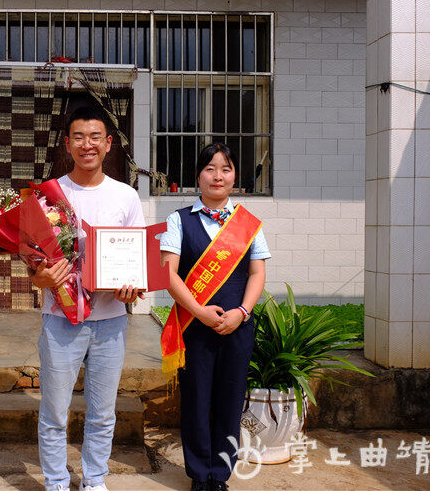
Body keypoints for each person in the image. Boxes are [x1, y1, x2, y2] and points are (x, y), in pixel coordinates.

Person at [29, 106, 145, 491]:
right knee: (54, 412)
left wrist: (132, 286)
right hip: (61, 319)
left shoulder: (126, 196)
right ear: (67, 143)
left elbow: (135, 261)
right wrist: (39, 277)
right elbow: (34, 262)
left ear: (109, 144)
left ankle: (94, 479)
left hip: (111, 322)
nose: (87, 144)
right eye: (78, 137)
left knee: (102, 412)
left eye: (95, 137)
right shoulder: (49, 195)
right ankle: (57, 481)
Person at [159, 143, 270, 491]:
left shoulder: (248, 224)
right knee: (195, 399)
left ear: (234, 175)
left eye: (225, 168)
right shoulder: (178, 220)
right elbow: (170, 274)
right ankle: (198, 474)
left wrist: (242, 312)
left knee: (229, 399)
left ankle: (220, 475)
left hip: (237, 328)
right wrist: (198, 312)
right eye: (210, 168)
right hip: (194, 327)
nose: (217, 175)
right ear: (198, 175)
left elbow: (256, 274)